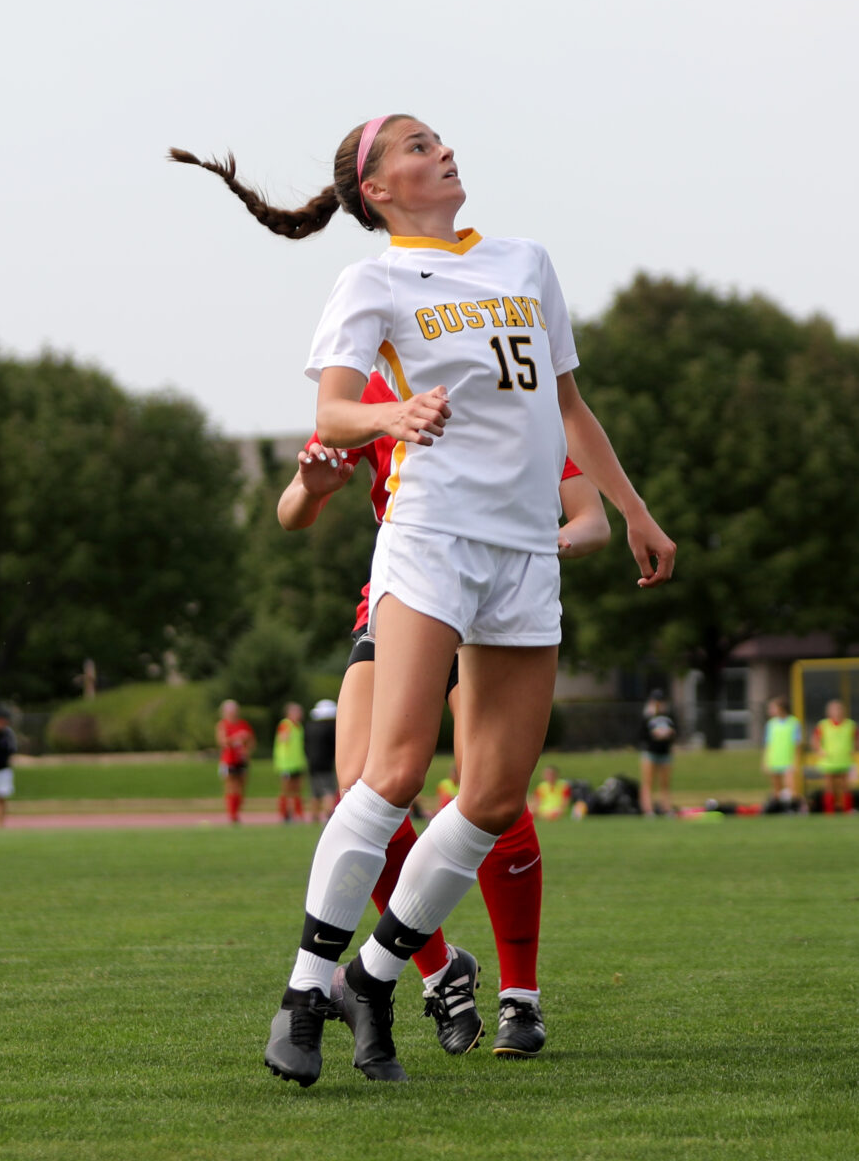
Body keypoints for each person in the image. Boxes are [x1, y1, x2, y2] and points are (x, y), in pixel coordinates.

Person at [180, 113, 674, 1087]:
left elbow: (569, 405)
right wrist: (389, 413)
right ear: (377, 190)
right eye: (414, 145)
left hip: (525, 547)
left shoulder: (526, 261)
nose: (438, 148)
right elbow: (331, 409)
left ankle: (374, 973)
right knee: (394, 768)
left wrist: (633, 509)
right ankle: (302, 993)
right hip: (432, 532)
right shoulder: (368, 281)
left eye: (436, 137)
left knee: (491, 796)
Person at [269, 289, 612, 1066]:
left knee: (488, 792)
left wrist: (530, 549)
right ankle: (435, 971)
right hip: (408, 597)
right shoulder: (382, 393)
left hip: (495, 599)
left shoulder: (504, 395)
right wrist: (313, 488)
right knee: (367, 783)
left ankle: (519, 997)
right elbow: (293, 508)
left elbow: (588, 516)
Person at [216, 700, 257, 825]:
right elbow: (222, 741)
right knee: (231, 787)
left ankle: (237, 812)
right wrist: (237, 737)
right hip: (229, 760)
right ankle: (232, 814)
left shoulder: (243, 724)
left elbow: (252, 741)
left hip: (241, 760)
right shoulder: (223, 725)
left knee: (241, 788)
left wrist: (247, 751)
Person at [638, 690, 677, 818]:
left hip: (664, 752)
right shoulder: (647, 717)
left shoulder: (669, 717)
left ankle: (666, 808)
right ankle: (648, 810)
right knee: (648, 782)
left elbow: (676, 732)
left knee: (664, 783)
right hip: (650, 752)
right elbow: (641, 734)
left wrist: (669, 734)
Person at [813, 700, 857, 815]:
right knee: (829, 786)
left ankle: (847, 809)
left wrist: (854, 749)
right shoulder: (823, 725)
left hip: (843, 759)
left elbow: (856, 738)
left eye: (839, 709)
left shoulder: (850, 725)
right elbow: (815, 739)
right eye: (834, 709)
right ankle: (829, 811)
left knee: (845, 786)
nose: (837, 712)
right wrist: (819, 750)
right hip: (829, 760)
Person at [303, 699, 340, 823]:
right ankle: (329, 814)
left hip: (312, 763)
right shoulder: (330, 728)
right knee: (328, 789)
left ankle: (314, 815)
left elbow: (305, 746)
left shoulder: (309, 727)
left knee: (315, 791)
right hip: (325, 764)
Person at [761, 696, 801, 810]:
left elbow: (796, 744)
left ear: (781, 708)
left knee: (791, 788)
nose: (770, 710)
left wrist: (795, 761)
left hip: (788, 759)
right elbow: (768, 744)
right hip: (775, 759)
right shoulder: (771, 724)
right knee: (776, 789)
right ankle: (779, 809)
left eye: (773, 707)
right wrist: (765, 761)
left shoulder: (793, 723)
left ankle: (795, 808)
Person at [273, 703, 310, 824]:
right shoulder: (285, 725)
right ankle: (285, 814)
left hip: (297, 762)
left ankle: (298, 813)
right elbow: (283, 739)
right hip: (286, 764)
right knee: (286, 790)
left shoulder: (298, 726)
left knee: (298, 789)